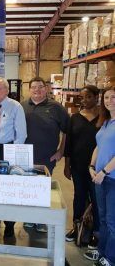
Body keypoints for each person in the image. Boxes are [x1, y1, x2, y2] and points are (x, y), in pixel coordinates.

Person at [21, 77, 69, 233]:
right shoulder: (22, 107)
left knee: (42, 189)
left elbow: (67, 131)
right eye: (33, 87)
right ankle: (28, 218)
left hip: (46, 157)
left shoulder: (56, 107)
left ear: (46, 89)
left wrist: (61, 151)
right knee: (26, 190)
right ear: (29, 90)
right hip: (25, 157)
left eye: (40, 87)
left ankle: (41, 220)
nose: (37, 90)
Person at [0, 77, 27, 238]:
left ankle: (9, 225)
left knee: (8, 186)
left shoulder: (16, 107)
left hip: (7, 149)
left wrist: (13, 152)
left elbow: (21, 133)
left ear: (7, 90)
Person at [64, 85, 100, 248]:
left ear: (96, 97)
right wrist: (67, 165)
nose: (84, 101)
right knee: (79, 196)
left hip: (97, 168)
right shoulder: (75, 118)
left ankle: (95, 232)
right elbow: (69, 143)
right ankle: (77, 227)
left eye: (88, 97)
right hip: (78, 165)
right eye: (82, 98)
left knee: (96, 199)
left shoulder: (103, 119)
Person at [84, 85, 115, 266]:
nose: (110, 101)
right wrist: (92, 165)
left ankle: (110, 258)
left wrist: (104, 172)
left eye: (113, 97)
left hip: (111, 179)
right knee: (102, 218)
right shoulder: (105, 122)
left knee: (112, 221)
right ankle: (103, 252)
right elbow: (98, 146)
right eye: (107, 98)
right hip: (99, 178)